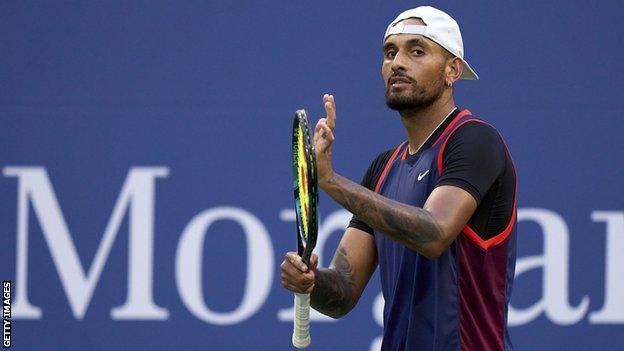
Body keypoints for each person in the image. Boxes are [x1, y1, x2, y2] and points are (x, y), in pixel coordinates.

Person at [280, 6, 517, 351]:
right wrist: (309, 282)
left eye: (417, 50)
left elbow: (433, 233)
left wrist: (328, 180)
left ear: (453, 70)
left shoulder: (475, 141)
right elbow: (343, 293)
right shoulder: (383, 167)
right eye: (390, 52)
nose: (398, 63)